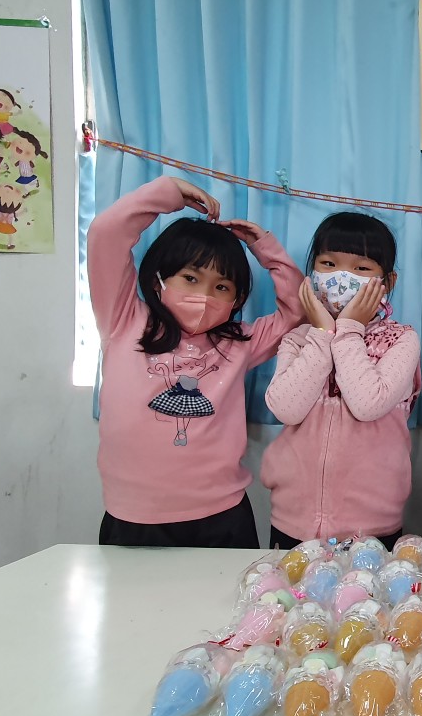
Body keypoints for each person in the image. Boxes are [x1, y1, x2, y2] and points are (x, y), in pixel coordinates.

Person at [87, 176, 305, 547]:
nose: (205, 296)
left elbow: (297, 311)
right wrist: (168, 191)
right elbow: (105, 234)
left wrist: (266, 249)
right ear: (157, 280)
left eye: (221, 287)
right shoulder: (123, 319)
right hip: (134, 516)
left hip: (222, 514)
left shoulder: (239, 344)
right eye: (190, 278)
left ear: (236, 299)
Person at [261, 212, 420, 551]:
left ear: (388, 282)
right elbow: (286, 409)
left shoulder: (401, 339)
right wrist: (321, 333)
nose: (342, 278)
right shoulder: (298, 340)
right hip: (292, 522)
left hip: (372, 526)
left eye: (361, 268)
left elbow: (368, 404)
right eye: (329, 264)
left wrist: (348, 330)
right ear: (313, 273)